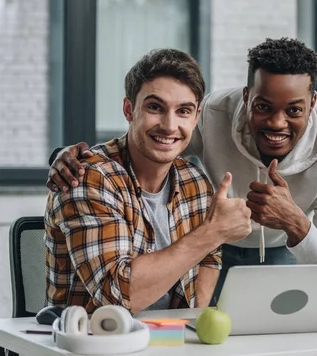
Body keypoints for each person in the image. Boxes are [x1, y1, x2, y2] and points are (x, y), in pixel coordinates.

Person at [46, 38, 317, 302]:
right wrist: (69, 156)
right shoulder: (212, 114)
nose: (277, 122)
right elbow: (153, 142)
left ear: (312, 103)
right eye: (263, 106)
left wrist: (295, 221)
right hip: (212, 242)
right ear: (246, 96)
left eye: (293, 110)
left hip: (284, 250)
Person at [44, 49, 252, 314]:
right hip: (94, 343)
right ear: (129, 109)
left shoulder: (195, 181)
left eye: (183, 111)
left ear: (196, 117)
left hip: (169, 340)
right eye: (155, 107)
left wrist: (197, 327)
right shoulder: (89, 178)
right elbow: (116, 298)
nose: (169, 125)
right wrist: (213, 232)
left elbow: (208, 260)